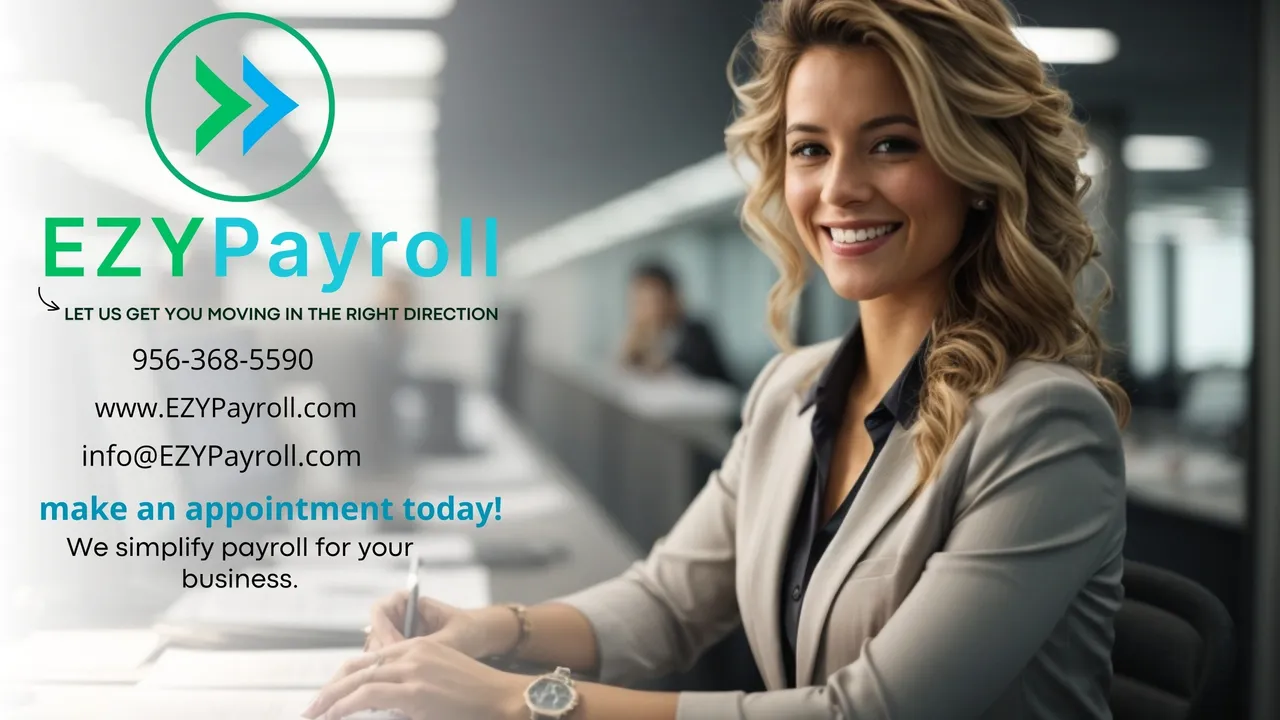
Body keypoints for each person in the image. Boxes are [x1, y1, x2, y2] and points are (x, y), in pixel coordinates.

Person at [302, 0, 1132, 718]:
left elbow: (869, 711)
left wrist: (517, 700)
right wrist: (496, 628)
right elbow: (666, 603)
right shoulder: (789, 394)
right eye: (810, 149)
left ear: (977, 169)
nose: (839, 188)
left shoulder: (1043, 427)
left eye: (891, 144)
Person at [618, 261, 733, 385]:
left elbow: (692, 374)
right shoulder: (640, 336)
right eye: (638, 302)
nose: (643, 310)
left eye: (651, 301)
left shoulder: (696, 332)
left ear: (671, 298)